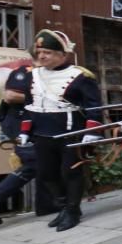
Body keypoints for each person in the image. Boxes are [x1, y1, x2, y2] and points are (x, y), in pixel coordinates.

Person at [19, 30, 104, 232]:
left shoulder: (81, 76)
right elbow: (29, 106)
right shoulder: (32, 76)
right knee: (47, 174)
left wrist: (91, 133)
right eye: (40, 52)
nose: (41, 56)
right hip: (42, 133)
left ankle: (73, 210)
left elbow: (94, 107)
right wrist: (25, 131)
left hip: (71, 133)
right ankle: (65, 206)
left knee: (71, 173)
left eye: (47, 52)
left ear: (62, 54)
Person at [0, 59, 55, 224]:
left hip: (31, 124)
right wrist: (44, 98)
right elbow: (10, 96)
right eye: (44, 53)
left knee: (44, 159)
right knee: (34, 162)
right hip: (17, 123)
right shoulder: (25, 71)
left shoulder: (45, 75)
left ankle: (46, 205)